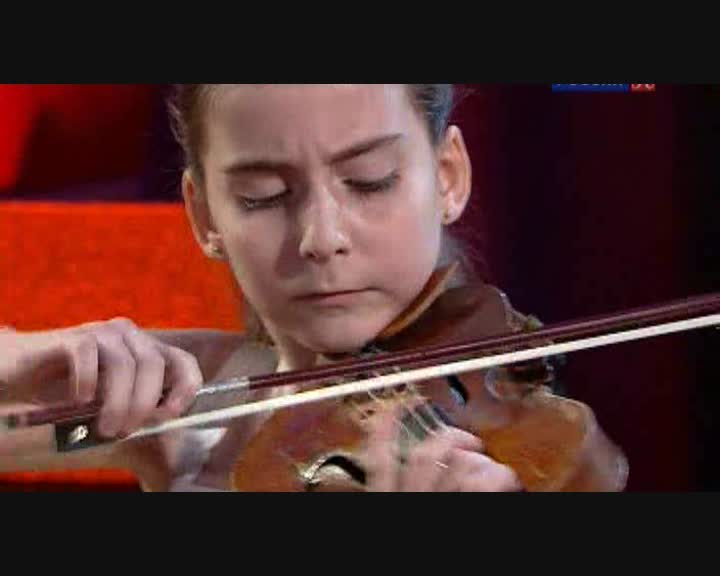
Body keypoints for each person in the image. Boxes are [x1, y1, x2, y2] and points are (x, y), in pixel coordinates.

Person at [0, 85, 623, 492]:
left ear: (448, 177)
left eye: (370, 180)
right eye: (263, 196)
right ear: (205, 215)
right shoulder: (192, 404)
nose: (321, 238)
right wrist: (20, 358)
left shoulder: (513, 443)